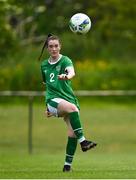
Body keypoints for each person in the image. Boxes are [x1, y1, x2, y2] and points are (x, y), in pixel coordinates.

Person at [39, 34, 97, 172]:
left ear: (60, 47)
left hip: (68, 98)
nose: (54, 49)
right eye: (51, 46)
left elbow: (71, 72)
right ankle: (83, 142)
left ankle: (67, 166)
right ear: (47, 48)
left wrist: (66, 76)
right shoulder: (44, 65)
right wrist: (46, 106)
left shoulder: (65, 60)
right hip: (53, 100)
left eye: (56, 46)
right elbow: (47, 86)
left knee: (72, 133)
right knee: (73, 109)